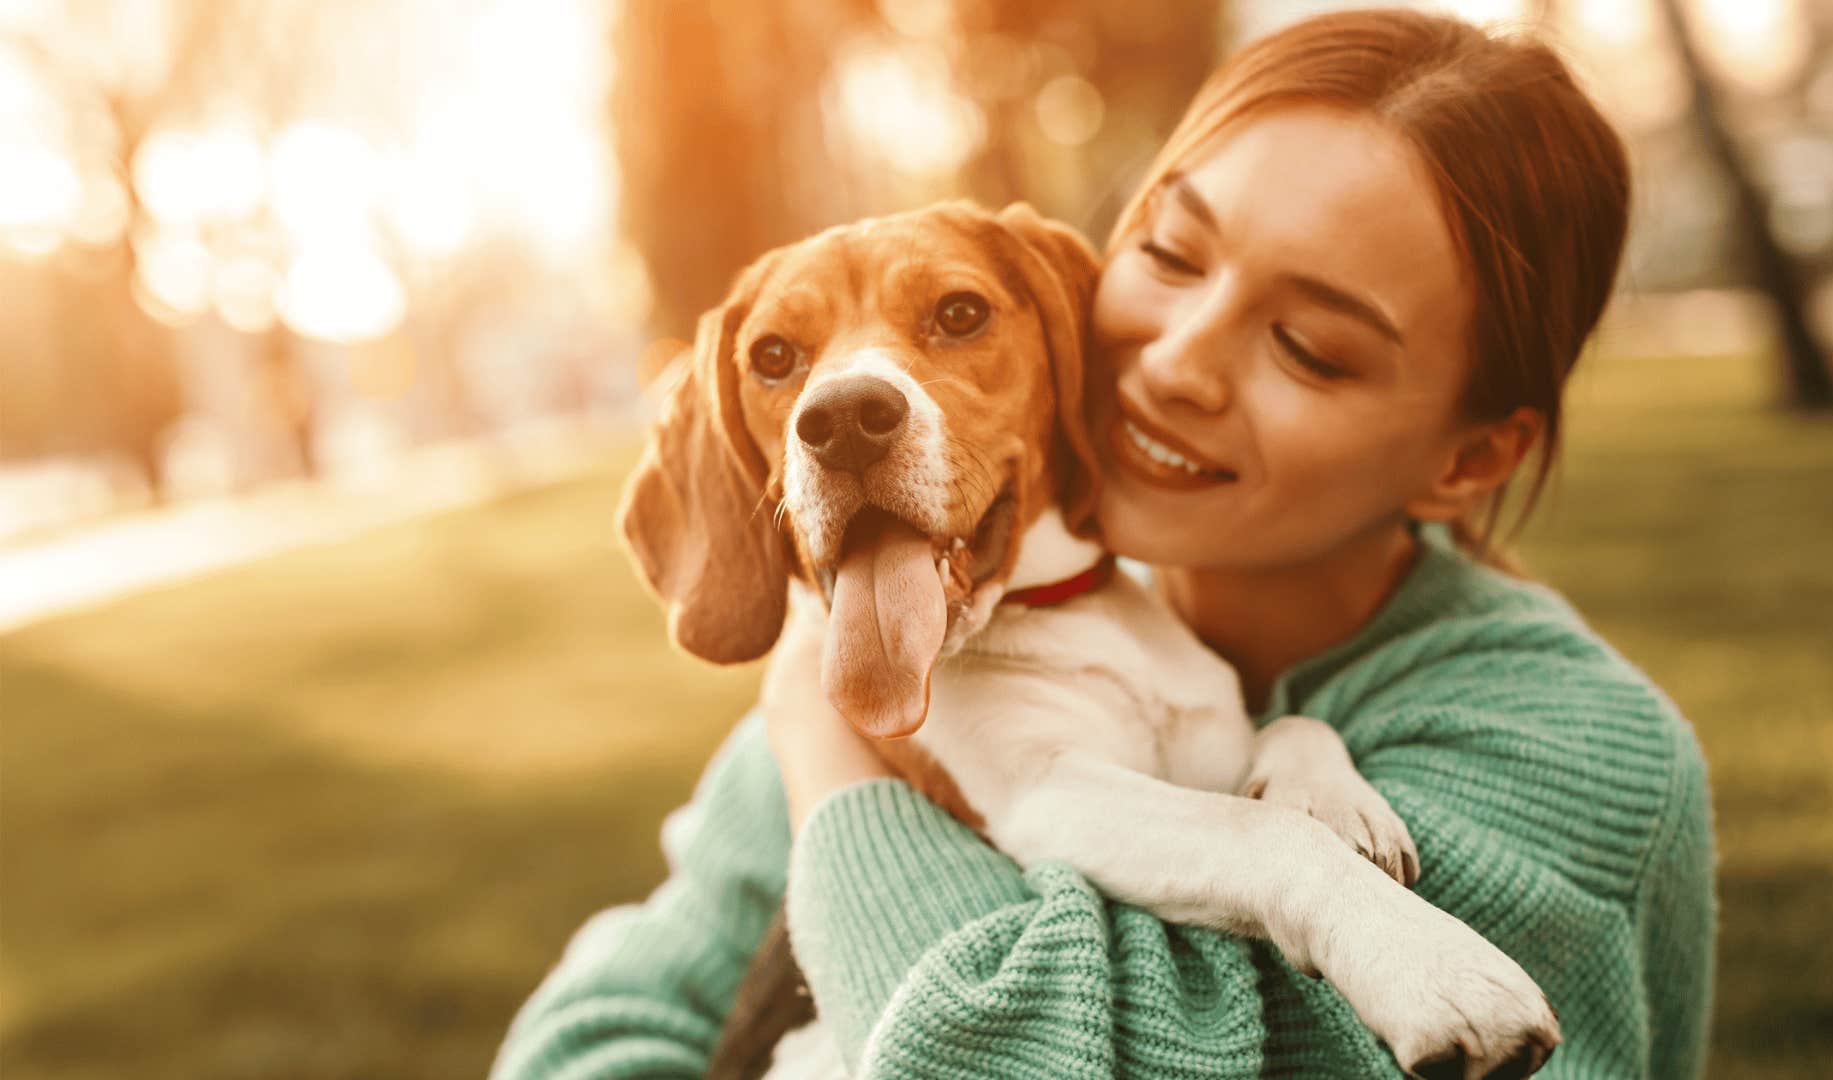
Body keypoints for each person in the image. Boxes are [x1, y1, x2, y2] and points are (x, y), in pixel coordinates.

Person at [492, 9, 1715, 1078]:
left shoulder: (1564, 753)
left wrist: (834, 768)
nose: (1176, 363)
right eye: (1173, 256)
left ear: (1468, 459)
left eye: (1310, 346)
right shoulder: (915, 623)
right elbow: (594, 1032)